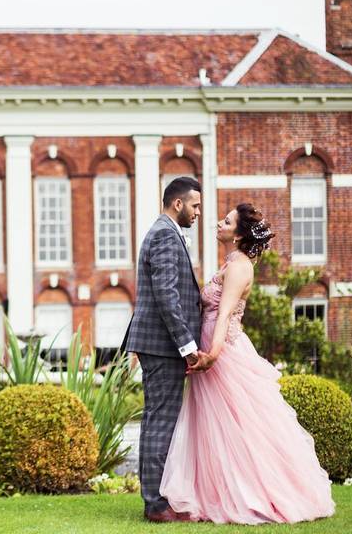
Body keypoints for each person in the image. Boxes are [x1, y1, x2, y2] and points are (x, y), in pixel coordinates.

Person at [160, 203, 335, 524]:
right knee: (214, 427)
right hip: (210, 348)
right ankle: (214, 493)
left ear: (238, 234)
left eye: (226, 222)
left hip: (224, 354)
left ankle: (256, 494)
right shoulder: (231, 262)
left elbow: (224, 313)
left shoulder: (240, 266)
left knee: (239, 427)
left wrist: (212, 355)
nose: (218, 223)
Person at [124, 176, 211, 523]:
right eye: (196, 205)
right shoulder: (164, 234)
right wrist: (187, 346)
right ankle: (156, 504)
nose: (199, 212)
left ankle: (157, 500)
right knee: (160, 421)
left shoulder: (167, 232)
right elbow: (166, 295)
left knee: (158, 420)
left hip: (159, 345)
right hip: (162, 346)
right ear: (178, 204)